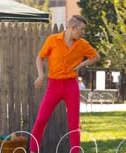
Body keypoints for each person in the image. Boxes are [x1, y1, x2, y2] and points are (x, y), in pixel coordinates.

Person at [30, 15, 101, 153]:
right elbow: (40, 57)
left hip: (71, 86)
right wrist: (41, 75)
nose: (83, 33)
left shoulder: (82, 44)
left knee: (74, 124)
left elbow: (96, 57)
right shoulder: (52, 40)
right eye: (81, 30)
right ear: (72, 28)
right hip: (54, 86)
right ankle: (33, 150)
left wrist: (81, 64)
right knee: (41, 119)